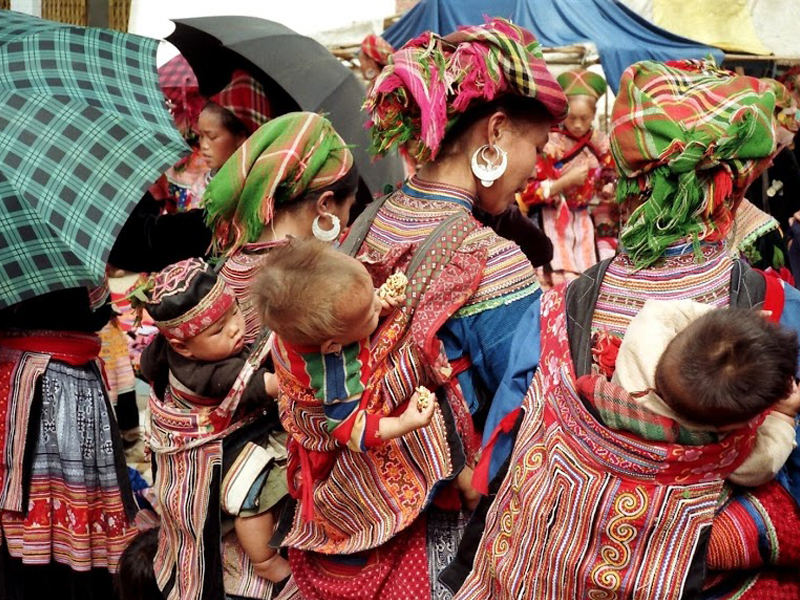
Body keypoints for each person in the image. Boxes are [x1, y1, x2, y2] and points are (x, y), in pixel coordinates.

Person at [449, 59, 800, 600]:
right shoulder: (781, 312)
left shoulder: (563, 304)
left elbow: (511, 444)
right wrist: (710, 539)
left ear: (627, 174)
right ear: (738, 179)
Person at [270, 18, 568, 600]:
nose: (537, 166)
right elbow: (524, 412)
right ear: (497, 130)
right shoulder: (492, 260)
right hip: (433, 534)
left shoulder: (365, 224)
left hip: (335, 507)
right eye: (535, 147)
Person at [256, 239, 481, 510]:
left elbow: (355, 311)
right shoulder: (335, 375)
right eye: (370, 313)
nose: (378, 301)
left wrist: (377, 305)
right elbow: (350, 431)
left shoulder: (305, 323)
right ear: (333, 346)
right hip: (341, 422)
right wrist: (404, 423)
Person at [138, 259, 290, 584]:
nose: (234, 328)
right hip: (213, 446)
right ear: (183, 347)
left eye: (234, 313)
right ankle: (263, 558)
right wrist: (291, 379)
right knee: (255, 495)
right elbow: (252, 384)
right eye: (218, 330)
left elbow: (149, 366)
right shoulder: (206, 372)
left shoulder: (169, 349)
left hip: (228, 429)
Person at [204, 111, 359, 345]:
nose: (347, 221)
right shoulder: (304, 280)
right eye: (350, 207)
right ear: (325, 204)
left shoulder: (234, 257)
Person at [611, 300, 799, 486]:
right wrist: (784, 415)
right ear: (728, 427)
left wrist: (729, 325)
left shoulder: (642, 339)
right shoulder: (718, 450)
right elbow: (762, 466)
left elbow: (661, 309)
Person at [519, 69, 616, 283]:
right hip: (550, 218)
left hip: (583, 220)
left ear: (594, 115)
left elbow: (608, 176)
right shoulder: (550, 143)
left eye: (585, 118)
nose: (578, 124)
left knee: (586, 274)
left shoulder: (601, 144)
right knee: (554, 274)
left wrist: (608, 188)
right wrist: (564, 182)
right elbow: (527, 191)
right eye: (572, 118)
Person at [157, 70, 271, 213]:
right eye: (201, 136)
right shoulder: (202, 182)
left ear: (241, 139)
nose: (203, 145)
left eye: (212, 137)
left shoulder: (251, 191)